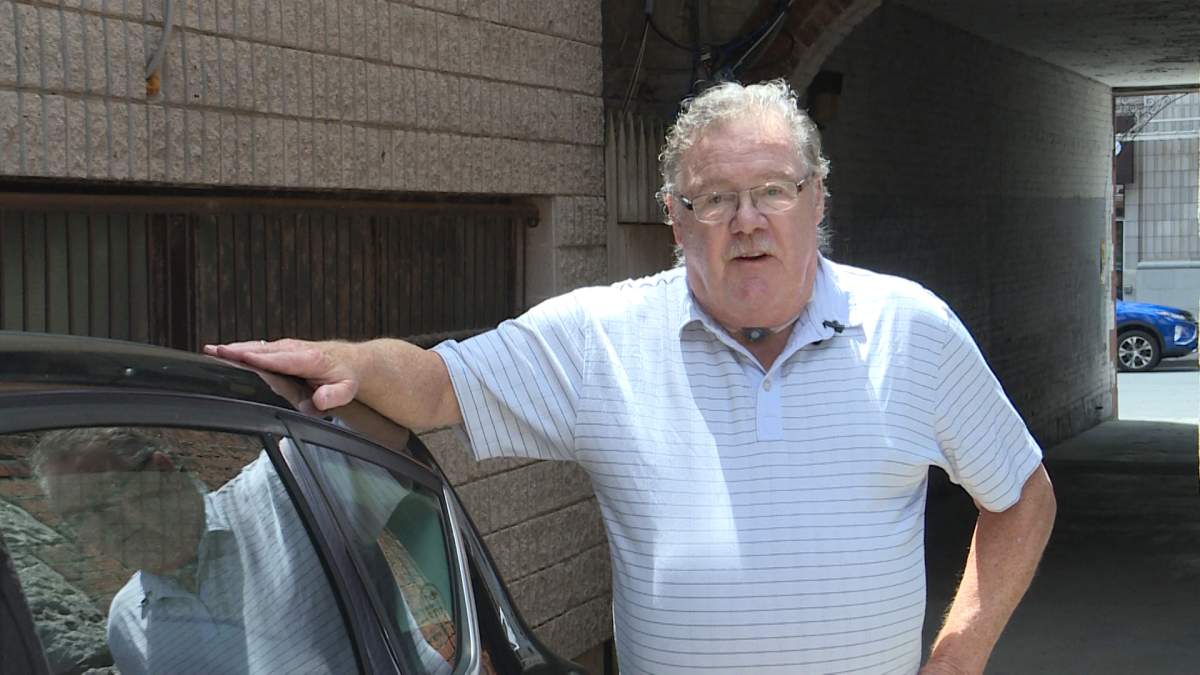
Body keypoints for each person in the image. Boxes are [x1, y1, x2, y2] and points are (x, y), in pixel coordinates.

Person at [207, 79, 1056, 674]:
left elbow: (1021, 493)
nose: (747, 220)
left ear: (818, 198)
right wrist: (353, 362)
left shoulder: (910, 327)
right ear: (674, 221)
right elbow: (434, 384)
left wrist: (958, 657)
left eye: (772, 190)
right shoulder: (602, 338)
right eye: (714, 199)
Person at [30, 427, 452, 675]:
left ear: (159, 470)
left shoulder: (290, 486)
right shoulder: (125, 623)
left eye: (104, 500)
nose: (97, 529)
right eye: (78, 519)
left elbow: (387, 435)